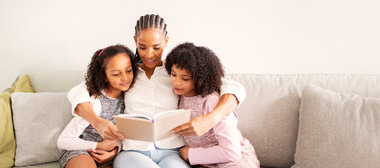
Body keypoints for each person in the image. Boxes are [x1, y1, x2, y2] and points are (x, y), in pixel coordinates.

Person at [67, 14, 246, 167]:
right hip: (132, 151)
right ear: (135, 41)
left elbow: (233, 87)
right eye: (142, 47)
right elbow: (79, 91)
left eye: (157, 47)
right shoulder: (128, 73)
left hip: (172, 152)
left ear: (166, 42)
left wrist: (209, 120)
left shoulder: (175, 72)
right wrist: (98, 124)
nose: (149, 54)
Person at [165, 42, 259, 167]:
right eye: (173, 74)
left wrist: (190, 154)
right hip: (206, 163)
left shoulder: (212, 101)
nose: (176, 82)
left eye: (185, 78)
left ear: (201, 78)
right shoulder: (180, 96)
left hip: (234, 162)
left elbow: (231, 152)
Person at [57, 44, 139, 168]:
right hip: (80, 152)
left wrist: (114, 150)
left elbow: (123, 137)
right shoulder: (94, 102)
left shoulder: (129, 99)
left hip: (108, 156)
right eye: (116, 74)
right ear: (104, 76)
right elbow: (63, 141)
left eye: (128, 70)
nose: (125, 78)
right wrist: (99, 146)